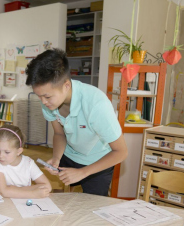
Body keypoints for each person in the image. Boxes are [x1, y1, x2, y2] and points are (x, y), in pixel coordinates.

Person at [25, 49, 128, 196]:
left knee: (93, 209)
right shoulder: (48, 102)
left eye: (47, 96)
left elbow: (121, 152)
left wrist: (83, 172)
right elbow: (59, 133)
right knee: (57, 199)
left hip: (97, 161)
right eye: (39, 96)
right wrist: (56, 158)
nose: (43, 102)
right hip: (70, 153)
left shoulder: (96, 104)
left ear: (66, 85)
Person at [0, 124, 52, 198]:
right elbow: (2, 192)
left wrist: (12, 190)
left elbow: (47, 187)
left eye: (7, 152)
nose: (1, 156)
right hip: (5, 203)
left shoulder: (29, 162)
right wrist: (33, 193)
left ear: (19, 151)